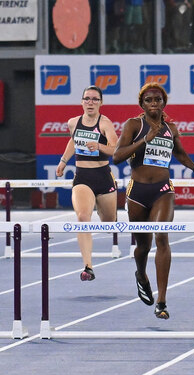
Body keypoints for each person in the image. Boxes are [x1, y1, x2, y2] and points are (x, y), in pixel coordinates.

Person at [113, 82, 194, 319]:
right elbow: (117, 157)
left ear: (164, 103)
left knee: (162, 236)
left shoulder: (171, 128)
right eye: (149, 100)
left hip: (162, 190)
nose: (154, 103)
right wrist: (145, 140)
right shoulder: (134, 125)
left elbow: (179, 153)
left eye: (158, 99)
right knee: (143, 247)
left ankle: (162, 300)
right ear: (142, 104)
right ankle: (141, 275)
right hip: (137, 192)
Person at [56, 86, 119, 281]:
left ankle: (102, 209)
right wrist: (63, 161)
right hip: (82, 177)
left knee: (109, 224)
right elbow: (73, 142)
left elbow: (114, 148)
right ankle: (88, 267)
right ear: (82, 101)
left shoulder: (105, 123)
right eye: (87, 99)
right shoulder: (73, 123)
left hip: (103, 176)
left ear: (101, 102)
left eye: (94, 99)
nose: (90, 102)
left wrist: (99, 146)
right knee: (83, 218)